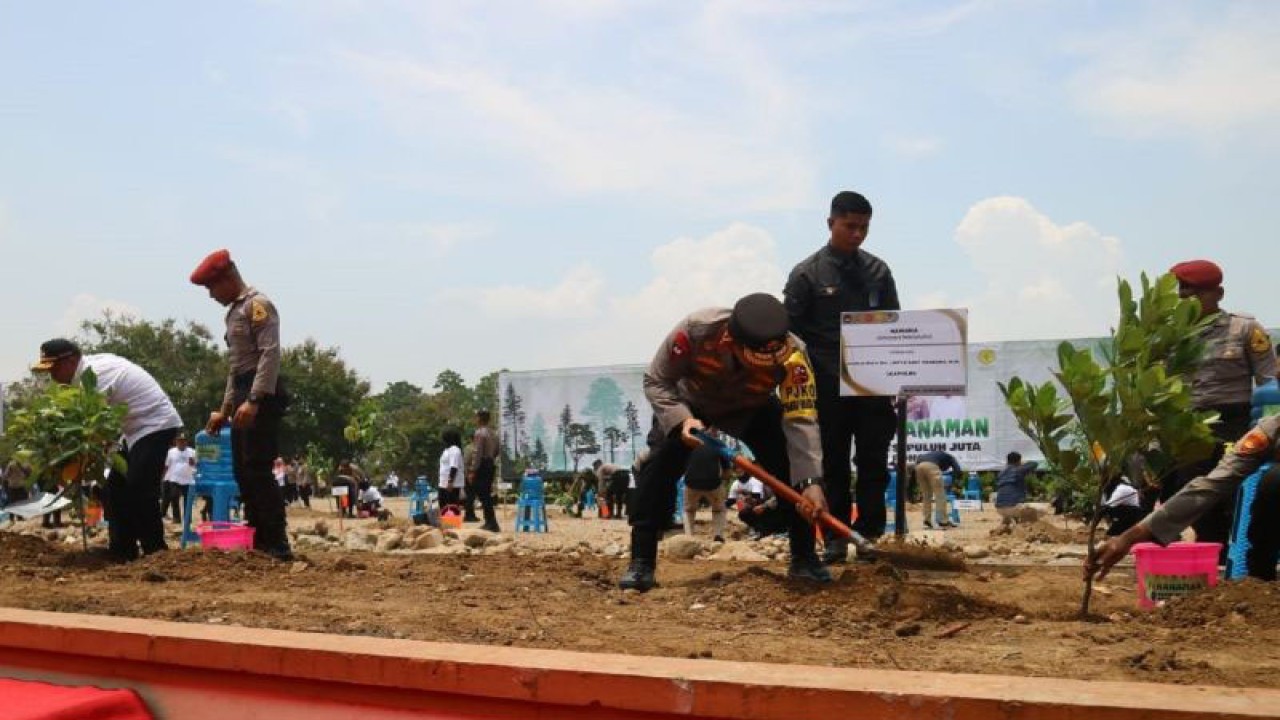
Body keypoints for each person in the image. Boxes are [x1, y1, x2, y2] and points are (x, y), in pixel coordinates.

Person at [619, 292, 830, 591]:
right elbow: (656, 380)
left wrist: (810, 480)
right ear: (731, 341)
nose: (769, 362)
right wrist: (681, 419)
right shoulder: (695, 331)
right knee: (658, 471)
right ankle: (641, 562)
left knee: (792, 470)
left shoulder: (796, 355)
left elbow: (801, 418)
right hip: (692, 404)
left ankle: (805, 558)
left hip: (752, 406)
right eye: (758, 359)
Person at [784, 190, 900, 563]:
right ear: (830, 223)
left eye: (864, 227)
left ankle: (869, 535)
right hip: (826, 390)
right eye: (850, 226)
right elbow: (790, 336)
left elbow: (893, 326)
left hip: (872, 390)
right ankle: (835, 536)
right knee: (831, 464)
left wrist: (897, 377)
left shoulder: (878, 271)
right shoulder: (806, 273)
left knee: (873, 464)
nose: (857, 234)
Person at [32, 339, 183, 561]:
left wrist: (73, 457)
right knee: (115, 489)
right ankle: (123, 550)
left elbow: (95, 426)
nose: (52, 375)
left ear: (71, 360)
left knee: (140, 488)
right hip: (133, 431)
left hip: (155, 424)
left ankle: (156, 552)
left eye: (54, 368)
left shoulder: (95, 376)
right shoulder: (84, 376)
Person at [1166, 260, 1277, 552]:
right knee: (1192, 496)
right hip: (1188, 427)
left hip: (1236, 423)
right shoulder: (1169, 336)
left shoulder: (1245, 329)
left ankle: (1237, 563)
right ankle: (1208, 559)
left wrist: (1267, 431)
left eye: (1195, 293)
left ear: (1218, 293)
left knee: (1236, 495)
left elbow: (1268, 385)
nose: (1185, 299)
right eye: (1182, 293)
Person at [1088, 415, 1280, 583]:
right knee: (1271, 484)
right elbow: (1209, 486)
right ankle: (1261, 587)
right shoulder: (1270, 431)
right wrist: (1127, 539)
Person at [191, 249, 293, 560]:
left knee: (258, 468)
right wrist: (225, 409)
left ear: (227, 278)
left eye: (212, 287)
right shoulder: (234, 312)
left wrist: (254, 400)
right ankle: (258, 537)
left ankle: (277, 542)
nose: (210, 295)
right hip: (243, 391)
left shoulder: (258, 305)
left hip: (262, 393)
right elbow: (235, 368)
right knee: (241, 471)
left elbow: (269, 355)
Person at [680, 439, 730, 542]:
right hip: (712, 483)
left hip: (691, 482)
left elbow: (681, 466)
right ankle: (718, 535)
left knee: (688, 509)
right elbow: (727, 472)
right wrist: (722, 481)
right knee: (719, 509)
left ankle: (689, 536)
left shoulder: (688, 443)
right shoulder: (718, 444)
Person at [468, 410, 501, 532]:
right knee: (486, 492)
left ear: (479, 418)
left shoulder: (479, 433)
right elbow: (497, 450)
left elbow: (477, 452)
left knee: (482, 493)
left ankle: (491, 522)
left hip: (482, 464)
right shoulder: (494, 433)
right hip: (490, 463)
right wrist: (491, 458)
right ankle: (490, 521)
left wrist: (473, 470)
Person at [913, 450, 962, 529]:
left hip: (918, 466)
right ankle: (943, 521)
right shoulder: (951, 458)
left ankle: (927, 521)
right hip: (931, 467)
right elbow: (958, 470)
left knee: (926, 496)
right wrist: (955, 483)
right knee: (940, 495)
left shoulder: (936, 455)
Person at [994, 452, 1040, 528]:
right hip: (1013, 508)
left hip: (999, 508)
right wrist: (1023, 464)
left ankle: (1005, 524)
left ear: (1007, 461)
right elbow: (1034, 464)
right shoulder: (1019, 470)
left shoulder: (1001, 473)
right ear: (1019, 461)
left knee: (1012, 502)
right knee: (1042, 510)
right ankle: (1024, 529)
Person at [162, 433, 197, 525]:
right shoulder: (171, 452)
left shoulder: (192, 451)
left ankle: (187, 519)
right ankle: (176, 518)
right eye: (179, 441)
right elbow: (166, 465)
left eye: (183, 441)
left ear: (186, 442)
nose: (181, 443)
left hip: (188, 479)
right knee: (174, 496)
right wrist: (163, 477)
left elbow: (197, 465)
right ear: (176, 442)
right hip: (174, 478)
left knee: (188, 500)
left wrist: (193, 463)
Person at [438, 429, 465, 514]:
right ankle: (445, 522)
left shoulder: (455, 450)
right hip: (443, 482)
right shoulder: (446, 449)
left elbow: (454, 467)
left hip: (452, 483)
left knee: (452, 504)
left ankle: (454, 523)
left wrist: (450, 481)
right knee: (442, 503)